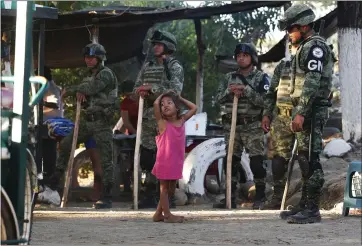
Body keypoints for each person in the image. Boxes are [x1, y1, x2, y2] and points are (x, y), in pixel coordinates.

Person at [262, 3, 334, 223]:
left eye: (290, 28)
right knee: (303, 158)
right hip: (304, 110)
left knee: (311, 160)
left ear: (303, 27)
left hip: (312, 111)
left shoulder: (314, 47)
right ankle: (304, 204)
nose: (287, 34)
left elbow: (311, 83)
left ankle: (312, 209)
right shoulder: (302, 48)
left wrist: (301, 112)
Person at [49, 42, 118, 209]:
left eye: (92, 57)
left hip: (102, 121)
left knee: (106, 159)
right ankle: (53, 182)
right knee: (66, 144)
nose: (88, 60)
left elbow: (92, 88)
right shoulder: (88, 75)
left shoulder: (106, 74)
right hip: (87, 121)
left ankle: (106, 195)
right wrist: (81, 92)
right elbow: (86, 89)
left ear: (99, 58)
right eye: (87, 57)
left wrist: (73, 89)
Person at [213, 43, 270, 210]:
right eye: (238, 56)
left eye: (245, 55)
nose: (241, 58)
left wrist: (246, 91)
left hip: (252, 125)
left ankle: (260, 197)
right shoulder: (228, 78)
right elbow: (217, 98)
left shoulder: (261, 77)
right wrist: (230, 92)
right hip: (232, 126)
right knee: (230, 161)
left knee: (257, 163)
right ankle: (230, 197)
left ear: (251, 58)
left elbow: (266, 101)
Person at [133, 30, 184, 209]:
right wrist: (140, 90)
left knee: (166, 158)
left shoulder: (174, 67)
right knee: (148, 158)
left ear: (168, 46)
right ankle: (150, 193)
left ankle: (168, 196)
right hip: (148, 118)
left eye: (159, 44)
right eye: (154, 44)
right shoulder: (147, 66)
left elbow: (175, 91)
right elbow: (135, 89)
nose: (155, 47)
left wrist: (152, 88)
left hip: (167, 119)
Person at [152, 92, 197, 223]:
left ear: (177, 107)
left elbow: (194, 108)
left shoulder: (182, 121)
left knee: (171, 189)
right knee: (164, 188)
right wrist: (162, 95)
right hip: (164, 161)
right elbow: (155, 103)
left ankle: (158, 214)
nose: (164, 105)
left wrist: (180, 98)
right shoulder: (162, 123)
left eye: (169, 103)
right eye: (162, 104)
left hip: (176, 161)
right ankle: (167, 215)